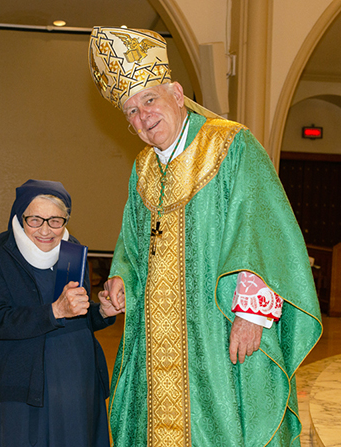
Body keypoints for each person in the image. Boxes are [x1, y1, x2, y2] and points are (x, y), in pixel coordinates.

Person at [88, 26, 323, 446]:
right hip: (154, 340)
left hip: (216, 332)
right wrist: (122, 277)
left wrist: (252, 314)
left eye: (149, 100)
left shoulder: (231, 144)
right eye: (130, 111)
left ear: (177, 94)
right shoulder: (143, 168)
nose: (143, 117)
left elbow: (261, 226)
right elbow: (131, 240)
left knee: (220, 425)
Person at [0, 179, 123, 447]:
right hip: (29, 383)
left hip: (78, 379)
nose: (46, 230)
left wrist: (102, 311)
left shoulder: (72, 249)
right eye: (36, 219)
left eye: (56, 220)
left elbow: (77, 317)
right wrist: (55, 310)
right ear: (20, 217)